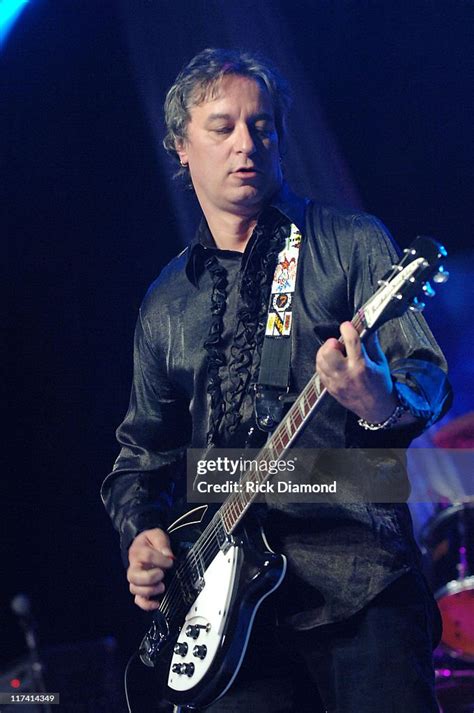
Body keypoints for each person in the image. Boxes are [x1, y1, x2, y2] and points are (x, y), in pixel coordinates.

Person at [101, 48, 452, 712]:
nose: (247, 143)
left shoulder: (349, 242)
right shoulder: (164, 302)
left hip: (361, 585)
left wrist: (375, 398)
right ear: (181, 146)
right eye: (223, 126)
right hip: (229, 614)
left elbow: (427, 378)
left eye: (261, 126)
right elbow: (139, 458)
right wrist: (140, 534)